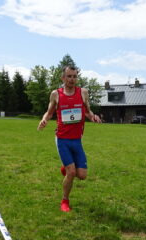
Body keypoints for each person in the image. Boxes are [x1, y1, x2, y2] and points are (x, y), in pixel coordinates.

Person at [37, 66, 102, 212]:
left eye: (74, 76)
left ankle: (65, 168)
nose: (72, 79)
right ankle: (65, 201)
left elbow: (87, 112)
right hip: (62, 139)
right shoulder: (56, 94)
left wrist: (93, 116)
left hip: (77, 139)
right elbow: (49, 113)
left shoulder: (83, 93)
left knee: (82, 175)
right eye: (69, 76)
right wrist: (43, 120)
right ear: (63, 78)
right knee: (71, 172)